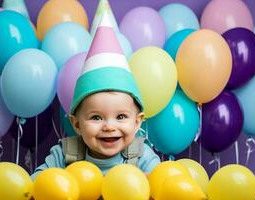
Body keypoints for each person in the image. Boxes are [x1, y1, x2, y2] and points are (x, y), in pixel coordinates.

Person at [31, 13, 160, 180]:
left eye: (120, 116)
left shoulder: (143, 157)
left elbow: (161, 186)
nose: (109, 126)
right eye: (96, 117)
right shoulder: (64, 155)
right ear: (76, 124)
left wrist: (147, 183)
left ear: (137, 122)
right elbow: (36, 185)